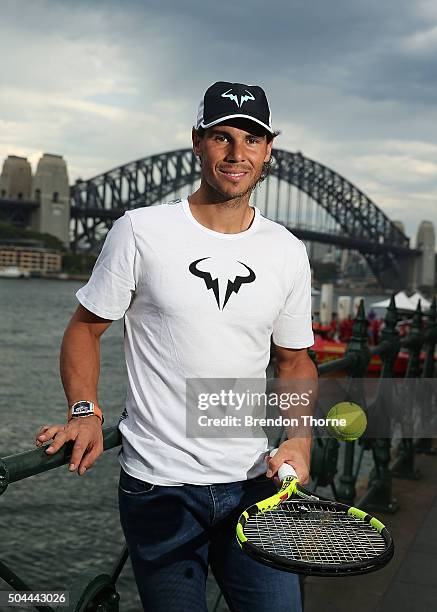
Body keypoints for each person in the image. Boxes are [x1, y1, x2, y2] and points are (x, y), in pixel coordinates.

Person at [35, 81, 317, 611]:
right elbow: (84, 329)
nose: (237, 154)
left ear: (268, 150)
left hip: (257, 484)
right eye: (222, 137)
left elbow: (295, 359)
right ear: (197, 142)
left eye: (252, 140)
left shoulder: (287, 251)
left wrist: (300, 439)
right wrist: (84, 410)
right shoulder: (140, 230)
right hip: (160, 488)